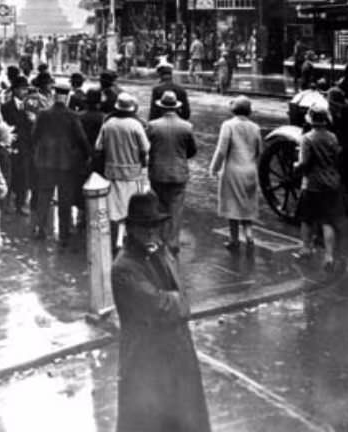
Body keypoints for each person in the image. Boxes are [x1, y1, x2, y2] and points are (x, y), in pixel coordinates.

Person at [111, 191, 211, 432]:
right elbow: (159, 306)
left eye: (155, 226)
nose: (150, 232)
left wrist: (176, 300)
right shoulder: (124, 268)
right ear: (131, 228)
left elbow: (176, 293)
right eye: (144, 227)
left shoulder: (161, 251)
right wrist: (179, 302)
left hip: (177, 357)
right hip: (146, 364)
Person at [31, 85, 91, 245]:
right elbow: (81, 139)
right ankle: (64, 232)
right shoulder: (72, 116)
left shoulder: (43, 114)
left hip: (45, 163)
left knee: (44, 196)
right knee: (65, 198)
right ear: (66, 97)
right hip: (66, 164)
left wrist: (38, 153)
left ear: (54, 96)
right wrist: (87, 155)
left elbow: (34, 135)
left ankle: (40, 229)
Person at [95, 92, 150, 249]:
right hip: (132, 172)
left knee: (113, 206)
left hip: (111, 171)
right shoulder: (136, 125)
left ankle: (112, 239)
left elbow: (98, 146)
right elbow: (146, 148)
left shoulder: (108, 123)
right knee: (128, 206)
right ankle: (121, 238)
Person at [293, 100, 344, 271]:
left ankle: (306, 249)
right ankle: (329, 256)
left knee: (307, 219)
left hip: (312, 184)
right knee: (327, 221)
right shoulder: (333, 137)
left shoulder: (307, 138)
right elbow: (337, 158)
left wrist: (295, 166)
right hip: (331, 184)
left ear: (310, 119)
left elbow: (304, 163)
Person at [209, 95, 262, 252]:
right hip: (250, 169)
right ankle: (249, 235)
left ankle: (234, 240)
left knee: (232, 204)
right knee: (247, 204)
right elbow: (260, 151)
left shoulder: (228, 125)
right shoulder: (255, 127)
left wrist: (214, 168)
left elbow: (221, 150)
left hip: (233, 169)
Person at [146, 90, 197, 251]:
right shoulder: (186, 127)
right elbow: (192, 151)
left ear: (161, 108)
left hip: (157, 173)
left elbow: (147, 149)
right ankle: (173, 242)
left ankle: (160, 239)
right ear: (176, 108)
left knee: (159, 206)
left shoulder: (152, 126)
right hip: (179, 173)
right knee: (176, 209)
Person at [2, 75, 36, 215]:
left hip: (26, 146)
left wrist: (33, 120)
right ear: (15, 90)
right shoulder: (6, 107)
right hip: (12, 144)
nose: (24, 92)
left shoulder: (30, 106)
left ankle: (21, 204)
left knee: (24, 176)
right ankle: (8, 203)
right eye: (22, 89)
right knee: (10, 174)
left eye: (26, 89)